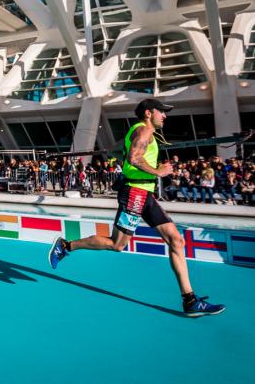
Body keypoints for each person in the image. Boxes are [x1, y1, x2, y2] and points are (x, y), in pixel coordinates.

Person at [47, 98, 225, 317]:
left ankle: (190, 301)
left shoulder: (140, 132)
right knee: (117, 245)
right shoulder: (143, 132)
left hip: (144, 193)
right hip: (135, 193)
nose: (165, 116)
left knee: (176, 240)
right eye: (162, 112)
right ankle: (66, 246)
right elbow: (134, 157)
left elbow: (121, 154)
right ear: (149, 113)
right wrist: (158, 171)